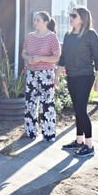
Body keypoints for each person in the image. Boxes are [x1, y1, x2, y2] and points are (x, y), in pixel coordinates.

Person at [55, 6, 98, 158]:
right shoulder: (68, 36)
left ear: (82, 19)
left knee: (81, 111)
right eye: (70, 15)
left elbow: (97, 58)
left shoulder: (90, 34)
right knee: (77, 110)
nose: (70, 18)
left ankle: (89, 146)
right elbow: (63, 58)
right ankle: (79, 141)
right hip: (72, 76)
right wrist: (57, 76)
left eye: (73, 15)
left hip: (85, 77)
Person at [21, 11, 61, 141]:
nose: (35, 22)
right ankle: (30, 132)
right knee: (30, 103)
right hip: (31, 74)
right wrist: (29, 59)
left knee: (46, 104)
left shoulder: (52, 37)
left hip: (46, 75)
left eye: (38, 20)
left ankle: (48, 134)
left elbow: (56, 57)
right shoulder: (30, 36)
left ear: (45, 22)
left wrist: (39, 59)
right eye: (34, 20)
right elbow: (23, 53)